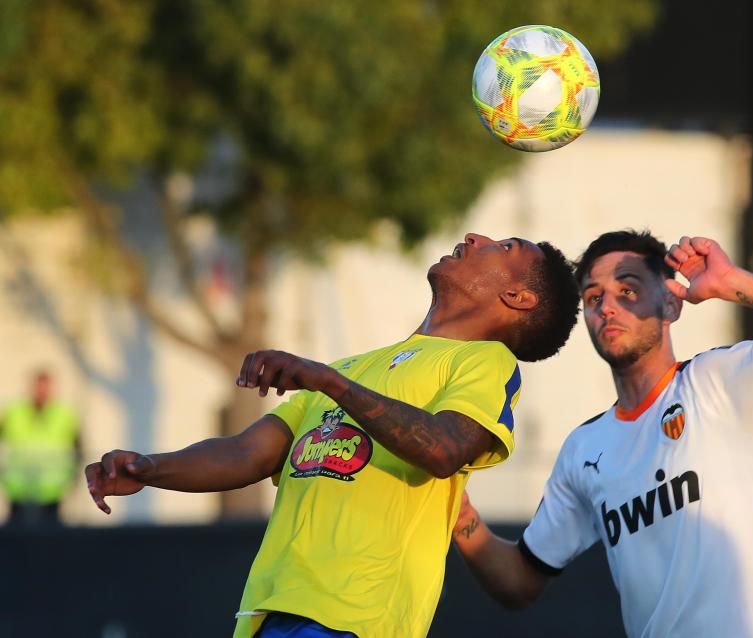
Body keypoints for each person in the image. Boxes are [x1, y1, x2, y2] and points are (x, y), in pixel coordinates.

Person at [84, 232, 581, 638]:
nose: (476, 237)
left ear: (518, 297)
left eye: (506, 247)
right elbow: (248, 452)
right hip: (266, 613)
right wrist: (150, 468)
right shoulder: (351, 368)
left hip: (358, 618)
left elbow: (446, 448)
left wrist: (330, 382)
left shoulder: (484, 361)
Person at [451, 230, 753, 638]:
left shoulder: (720, 382)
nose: (608, 308)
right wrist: (454, 504)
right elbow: (519, 581)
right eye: (595, 298)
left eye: (627, 291)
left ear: (670, 303)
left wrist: (732, 282)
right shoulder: (584, 450)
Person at [1, 370, 81, 528]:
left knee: (50, 534)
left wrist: (74, 477)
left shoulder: (64, 414)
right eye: (39, 386)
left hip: (52, 487)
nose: (42, 391)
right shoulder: (14, 411)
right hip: (18, 485)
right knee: (15, 534)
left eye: (46, 387)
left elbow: (78, 447)